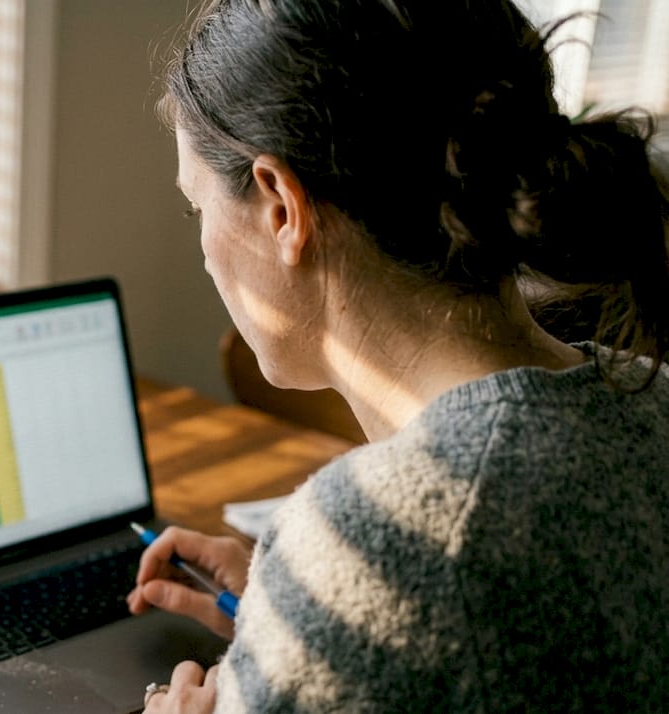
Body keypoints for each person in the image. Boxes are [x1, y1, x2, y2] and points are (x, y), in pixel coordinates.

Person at [126, 0, 669, 711]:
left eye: (198, 208)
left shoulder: (382, 538)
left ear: (282, 208)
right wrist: (294, 626)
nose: (203, 250)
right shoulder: (652, 397)